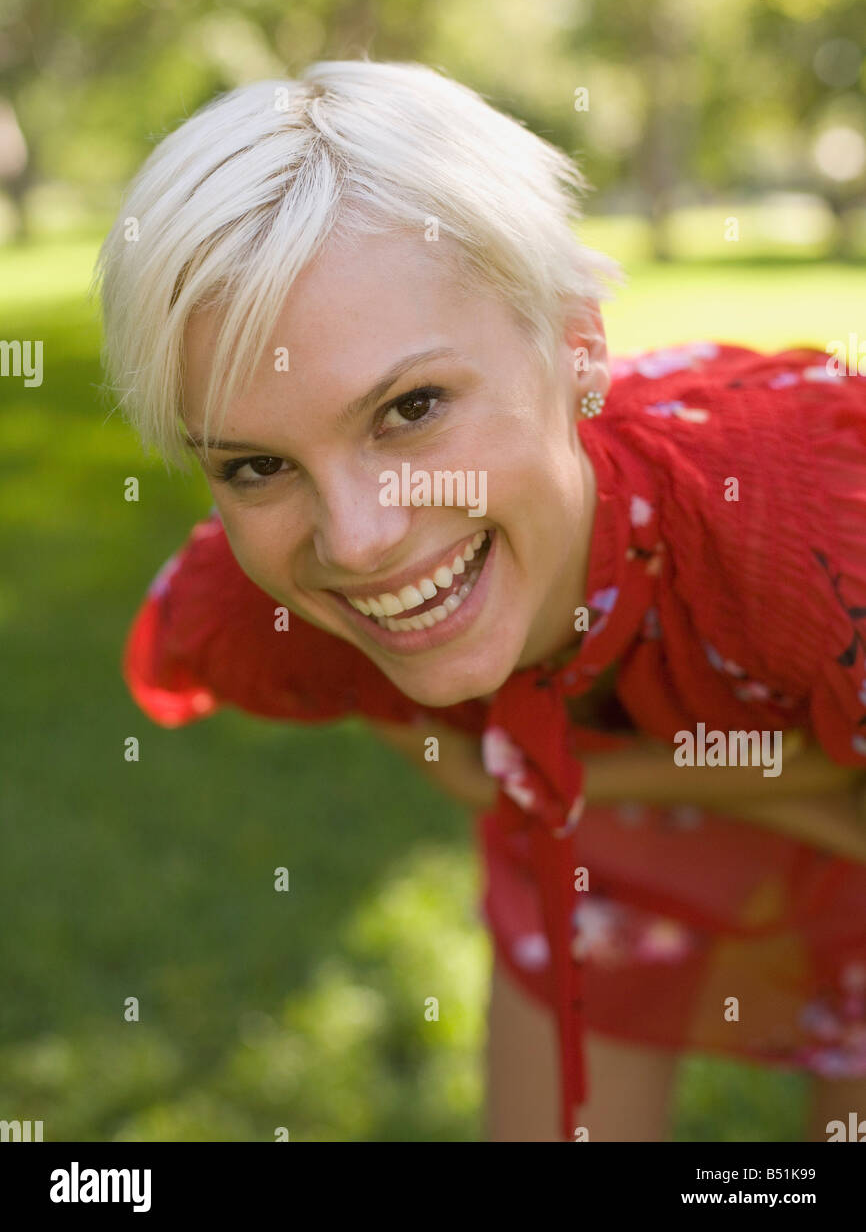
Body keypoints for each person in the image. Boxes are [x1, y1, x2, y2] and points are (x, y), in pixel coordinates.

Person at [97, 60, 866, 1143]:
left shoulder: (821, 546)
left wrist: (540, 773)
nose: (358, 540)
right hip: (617, 814)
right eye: (256, 465)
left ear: (577, 347)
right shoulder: (254, 609)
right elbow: (424, 737)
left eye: (410, 407)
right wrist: (533, 771)